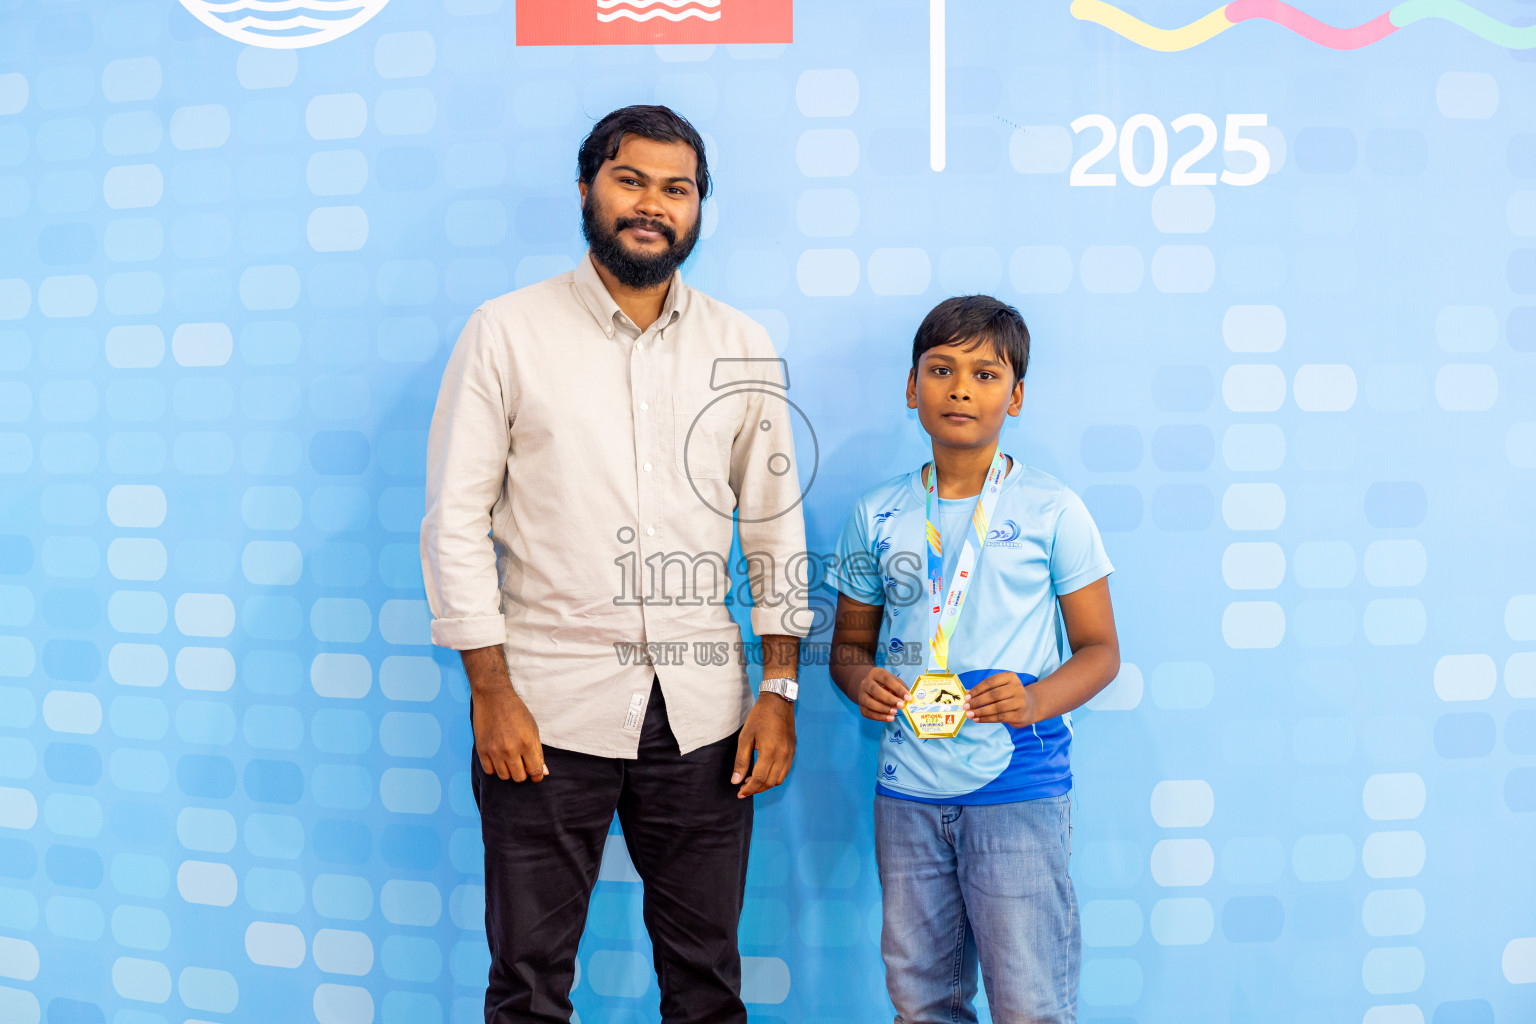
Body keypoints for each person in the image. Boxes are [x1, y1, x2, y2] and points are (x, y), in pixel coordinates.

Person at [420, 104, 810, 1024]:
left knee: (707, 982)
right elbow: (454, 522)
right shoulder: (506, 333)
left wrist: (780, 691)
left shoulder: (740, 345)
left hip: (706, 716)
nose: (652, 204)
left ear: (698, 209)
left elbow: (775, 530)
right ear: (589, 188)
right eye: (630, 180)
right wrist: (491, 690)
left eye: (676, 189)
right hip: (543, 714)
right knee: (528, 984)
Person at [828, 295, 1121, 1023]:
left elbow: (1101, 652)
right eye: (941, 369)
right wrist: (860, 679)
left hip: (1017, 789)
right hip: (908, 794)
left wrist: (1033, 702)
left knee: (1030, 1004)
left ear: (1015, 396)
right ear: (911, 387)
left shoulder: (1054, 510)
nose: (961, 388)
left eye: (986, 374)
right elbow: (847, 649)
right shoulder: (877, 513)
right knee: (921, 1002)